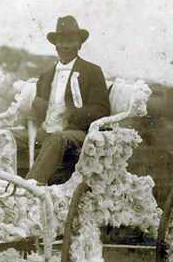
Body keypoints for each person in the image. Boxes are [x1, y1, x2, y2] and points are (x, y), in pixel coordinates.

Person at [19, 15, 111, 185]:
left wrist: (72, 113)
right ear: (55, 45)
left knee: (57, 138)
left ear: (79, 44)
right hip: (46, 130)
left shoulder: (92, 71)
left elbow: (102, 109)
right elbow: (36, 115)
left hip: (76, 131)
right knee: (8, 136)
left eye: (71, 40)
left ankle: (28, 189)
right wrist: (34, 107)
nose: (65, 45)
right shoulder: (46, 76)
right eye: (61, 41)